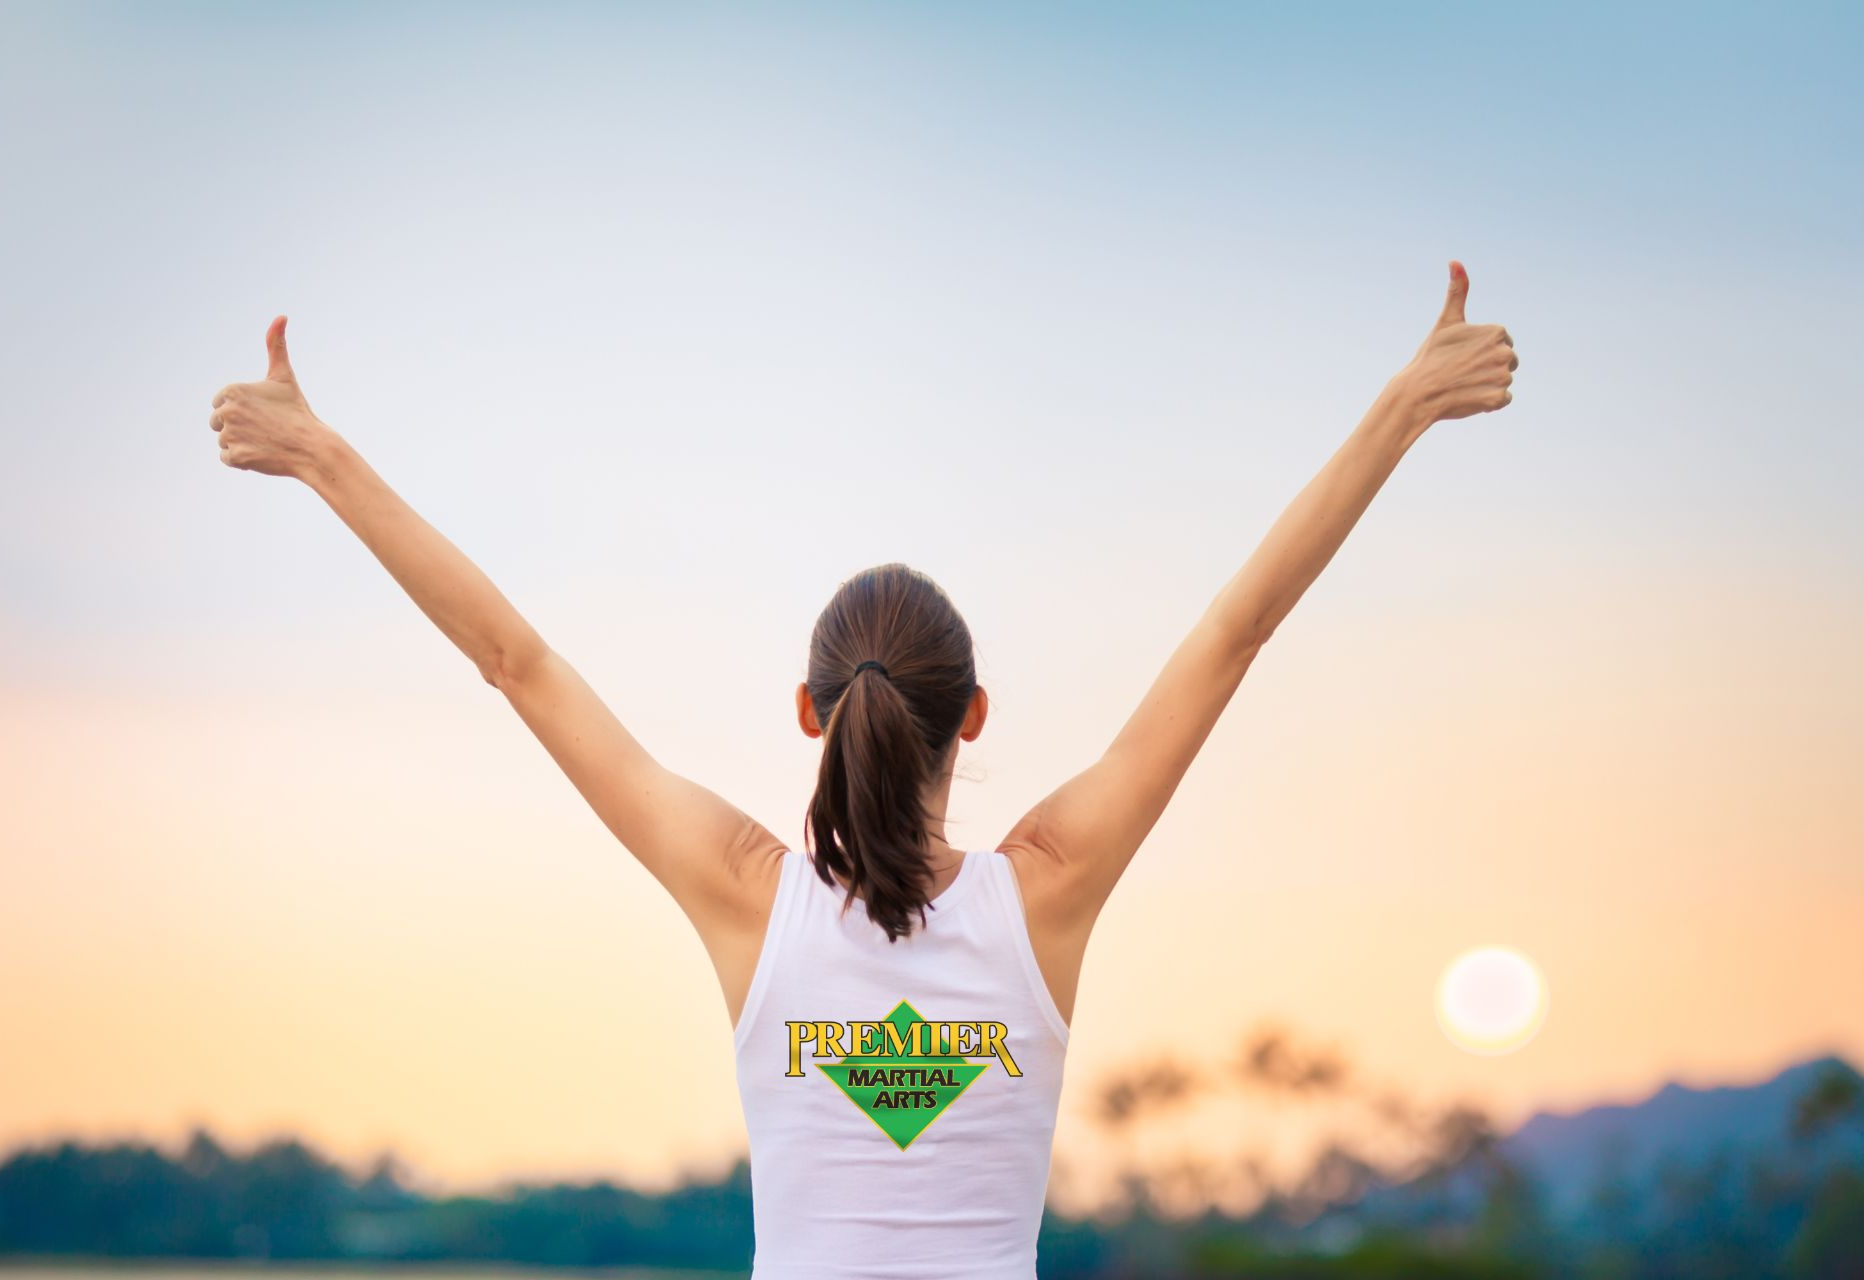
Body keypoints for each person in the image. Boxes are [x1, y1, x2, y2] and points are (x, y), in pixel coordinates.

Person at [206, 260, 1516, 1279]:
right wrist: (1403, 407)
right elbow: (1236, 636)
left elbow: (517, 661)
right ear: (977, 717)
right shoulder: (1047, 890)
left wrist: (323, 457)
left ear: (807, 712)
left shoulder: (744, 894)